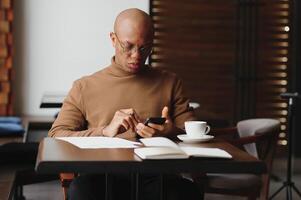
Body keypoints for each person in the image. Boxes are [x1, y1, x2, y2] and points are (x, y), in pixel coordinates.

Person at [49, 8, 202, 200]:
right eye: (127, 46)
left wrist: (170, 131)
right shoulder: (84, 86)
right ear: (113, 39)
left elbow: (193, 135)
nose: (137, 55)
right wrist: (104, 131)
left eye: (145, 48)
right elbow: (57, 135)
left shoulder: (170, 82)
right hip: (101, 175)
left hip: (157, 176)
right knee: (81, 190)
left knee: (187, 193)